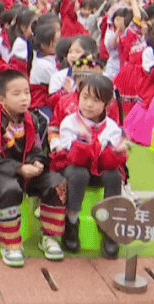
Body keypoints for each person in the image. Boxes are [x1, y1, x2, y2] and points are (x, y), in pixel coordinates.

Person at [0, 70, 67, 267]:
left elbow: (36, 148)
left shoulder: (32, 119)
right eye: (16, 94)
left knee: (57, 182)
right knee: (11, 188)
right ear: (1, 99)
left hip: (25, 168)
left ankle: (50, 237)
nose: (24, 98)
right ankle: (10, 244)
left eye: (26, 92)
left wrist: (37, 162)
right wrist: (19, 168)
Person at [49, 72, 127, 258]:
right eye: (85, 97)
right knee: (79, 174)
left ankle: (110, 227)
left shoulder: (111, 128)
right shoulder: (70, 122)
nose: (89, 104)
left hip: (99, 170)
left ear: (107, 105)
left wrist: (118, 152)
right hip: (75, 167)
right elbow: (73, 157)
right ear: (78, 96)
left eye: (96, 100)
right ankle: (72, 222)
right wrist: (86, 142)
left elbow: (111, 159)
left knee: (114, 175)